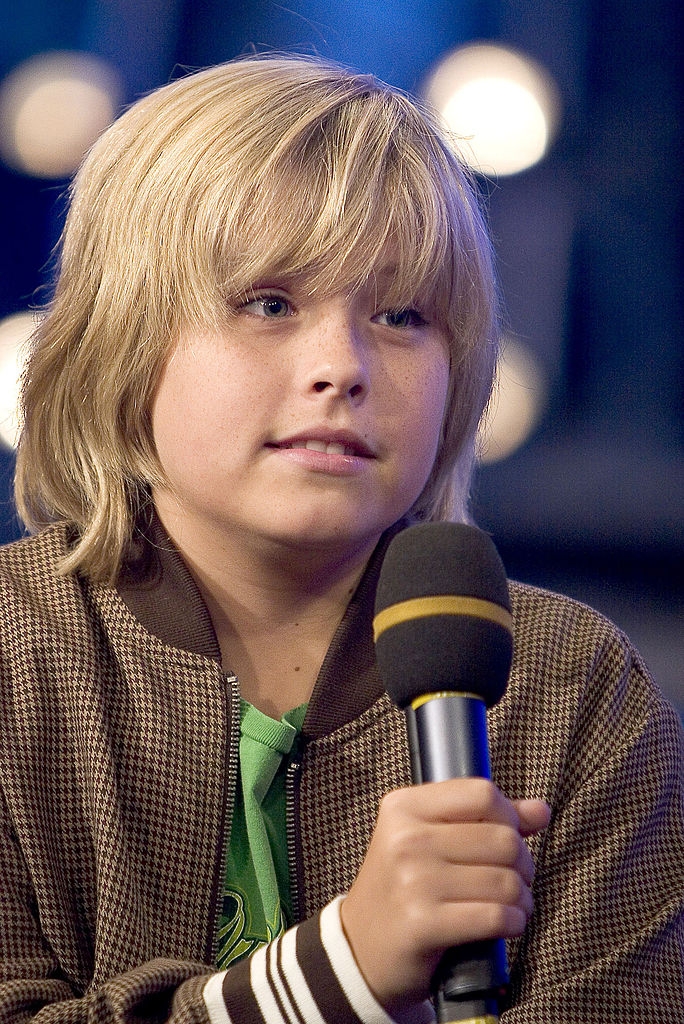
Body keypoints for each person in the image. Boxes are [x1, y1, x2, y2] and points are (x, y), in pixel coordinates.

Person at [0, 53, 681, 1024]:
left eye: (402, 316)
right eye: (269, 303)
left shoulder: (572, 686)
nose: (342, 366)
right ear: (123, 340)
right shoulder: (14, 654)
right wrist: (344, 970)